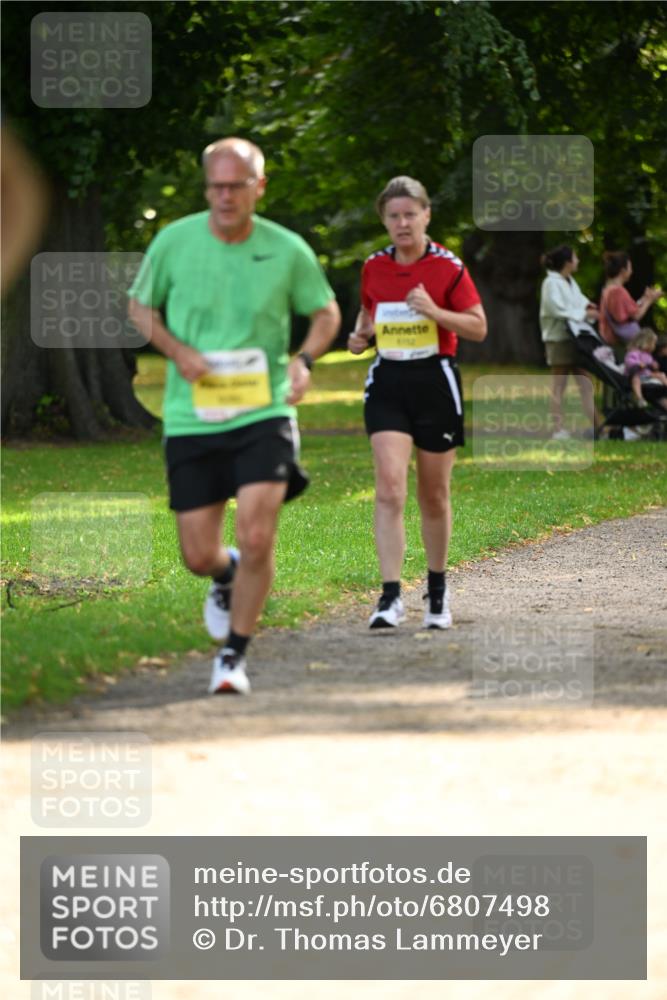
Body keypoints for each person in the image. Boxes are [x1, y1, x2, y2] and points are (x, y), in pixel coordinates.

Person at [128, 137, 340, 695]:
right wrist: (177, 352)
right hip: (193, 415)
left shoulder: (287, 249)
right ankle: (226, 575)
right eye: (216, 186)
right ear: (207, 188)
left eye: (236, 185)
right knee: (197, 553)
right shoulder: (174, 242)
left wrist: (305, 360)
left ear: (258, 187)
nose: (224, 196)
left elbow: (325, 311)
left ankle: (233, 656)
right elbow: (138, 307)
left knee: (257, 532)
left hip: (263, 409)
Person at [348, 176, 486, 631]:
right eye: (393, 216)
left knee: (433, 493)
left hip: (435, 380)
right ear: (384, 221)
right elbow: (369, 314)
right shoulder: (374, 266)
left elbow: (477, 327)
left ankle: (438, 591)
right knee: (389, 487)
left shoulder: (448, 267)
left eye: (410, 214)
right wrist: (360, 335)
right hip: (388, 379)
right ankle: (390, 597)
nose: (402, 223)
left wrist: (434, 312)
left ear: (426, 215)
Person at [539, 245, 603, 439]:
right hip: (558, 340)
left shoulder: (569, 281)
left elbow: (578, 300)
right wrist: (584, 314)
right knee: (560, 384)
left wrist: (588, 306)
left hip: (575, 340)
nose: (578, 261)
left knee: (585, 383)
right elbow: (556, 309)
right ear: (567, 262)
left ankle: (598, 426)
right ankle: (558, 429)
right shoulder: (551, 282)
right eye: (575, 258)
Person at [599, 251, 663, 346]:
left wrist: (645, 298)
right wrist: (650, 300)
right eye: (630, 268)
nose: (631, 272)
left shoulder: (608, 289)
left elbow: (629, 310)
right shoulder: (617, 291)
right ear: (623, 271)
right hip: (620, 343)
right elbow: (635, 315)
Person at [623, 329, 667, 409]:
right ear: (646, 342)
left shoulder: (647, 354)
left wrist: (654, 364)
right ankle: (640, 398)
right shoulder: (634, 352)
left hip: (646, 374)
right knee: (636, 380)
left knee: (661, 375)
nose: (654, 346)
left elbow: (650, 362)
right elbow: (628, 362)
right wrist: (638, 364)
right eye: (653, 343)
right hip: (635, 375)